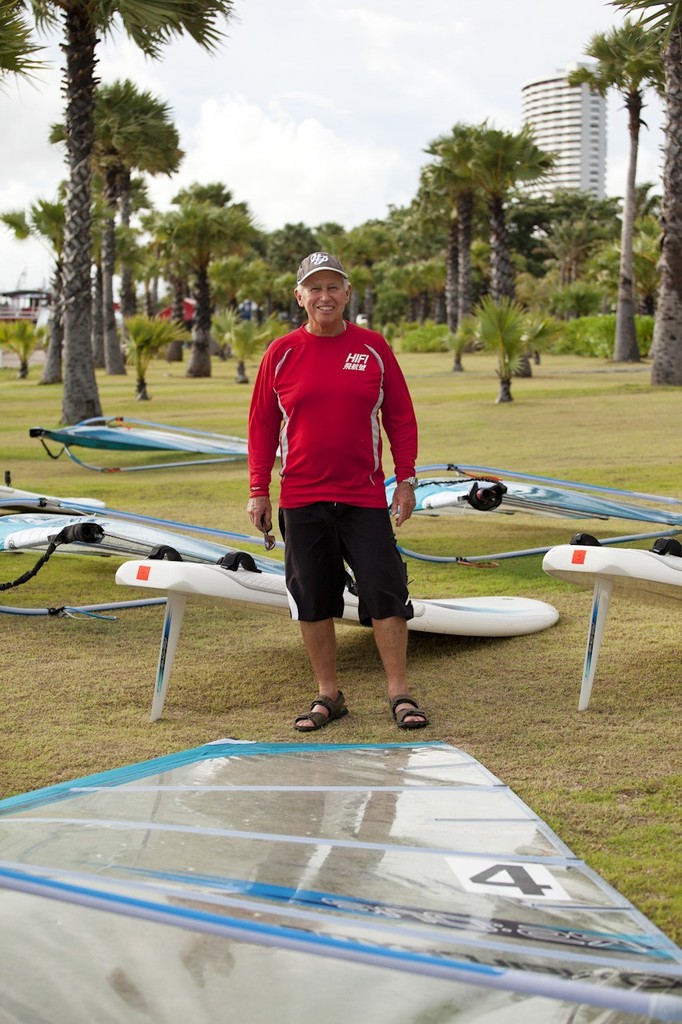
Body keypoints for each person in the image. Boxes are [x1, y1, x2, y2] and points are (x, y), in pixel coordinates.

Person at [246, 251, 428, 732]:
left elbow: (400, 417)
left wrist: (405, 479)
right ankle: (329, 695)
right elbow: (262, 426)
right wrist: (258, 490)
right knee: (312, 597)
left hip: (364, 496)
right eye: (314, 287)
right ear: (299, 295)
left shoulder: (372, 347)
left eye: (333, 287)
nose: (324, 296)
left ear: (347, 293)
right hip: (303, 498)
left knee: (385, 591)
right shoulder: (281, 353)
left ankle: (399, 694)